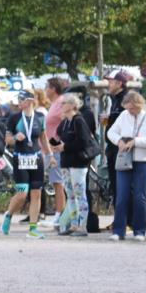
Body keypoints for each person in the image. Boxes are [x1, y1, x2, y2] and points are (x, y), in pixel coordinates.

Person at [106, 91, 146, 241]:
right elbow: (111, 132)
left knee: (140, 196)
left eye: (132, 109)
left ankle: (140, 231)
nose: (130, 111)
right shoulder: (123, 116)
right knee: (121, 195)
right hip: (125, 159)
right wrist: (119, 141)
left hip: (144, 160)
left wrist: (136, 141)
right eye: (128, 108)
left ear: (139, 105)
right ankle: (118, 230)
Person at [1, 90, 52, 239]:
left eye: (21, 99)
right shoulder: (14, 118)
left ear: (30, 101)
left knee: (36, 193)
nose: (18, 102)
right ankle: (9, 215)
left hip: (36, 158)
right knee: (22, 194)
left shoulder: (40, 117)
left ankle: (33, 228)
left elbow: (43, 137)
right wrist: (16, 137)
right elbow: (7, 140)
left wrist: (49, 155)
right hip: (21, 158)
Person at [51, 93, 95, 236]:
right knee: (70, 193)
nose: (61, 105)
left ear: (72, 105)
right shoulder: (65, 122)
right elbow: (59, 135)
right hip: (66, 162)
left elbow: (84, 141)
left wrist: (65, 147)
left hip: (78, 162)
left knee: (79, 193)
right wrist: (57, 145)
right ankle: (74, 224)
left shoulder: (78, 121)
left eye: (64, 103)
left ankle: (83, 225)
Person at [41, 77, 69, 227]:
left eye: (47, 87)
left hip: (57, 147)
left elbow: (66, 121)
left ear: (53, 89)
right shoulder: (54, 104)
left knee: (58, 182)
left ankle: (59, 215)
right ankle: (59, 214)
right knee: (55, 181)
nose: (45, 89)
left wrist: (61, 142)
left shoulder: (60, 103)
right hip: (50, 148)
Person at [103, 69, 131, 211]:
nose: (108, 84)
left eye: (111, 81)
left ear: (119, 83)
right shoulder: (115, 99)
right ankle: (119, 219)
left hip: (121, 147)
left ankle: (126, 220)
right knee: (115, 184)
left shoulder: (125, 99)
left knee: (121, 184)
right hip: (113, 146)